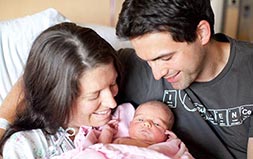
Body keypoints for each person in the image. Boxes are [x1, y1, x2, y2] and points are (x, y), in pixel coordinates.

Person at [115, 0, 253, 159]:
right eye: (147, 61)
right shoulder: (131, 66)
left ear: (201, 33)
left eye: (166, 58)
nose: (157, 74)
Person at [0, 22, 122, 158]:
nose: (112, 103)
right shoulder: (25, 146)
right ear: (56, 98)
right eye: (94, 95)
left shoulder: (131, 119)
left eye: (112, 84)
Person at [52, 101, 193, 159]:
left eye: (157, 124)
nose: (147, 124)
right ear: (130, 124)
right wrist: (108, 131)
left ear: (167, 134)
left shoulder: (167, 147)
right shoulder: (120, 139)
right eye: (140, 120)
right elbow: (100, 146)